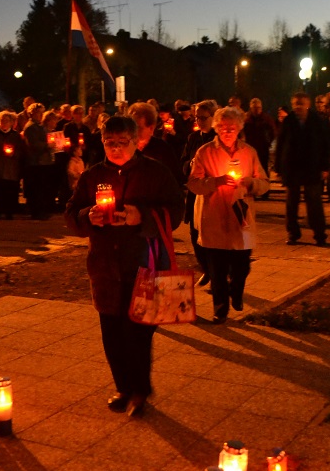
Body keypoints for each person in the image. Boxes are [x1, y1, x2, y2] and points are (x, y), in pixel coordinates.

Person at [66, 115, 183, 417]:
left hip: (143, 264)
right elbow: (71, 214)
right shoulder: (93, 175)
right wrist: (87, 217)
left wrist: (140, 216)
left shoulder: (155, 172)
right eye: (109, 143)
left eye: (122, 142)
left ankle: (140, 390)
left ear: (136, 142)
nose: (116, 148)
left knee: (138, 334)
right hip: (105, 267)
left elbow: (176, 210)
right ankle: (122, 387)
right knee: (112, 334)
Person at [187, 105, 268, 323]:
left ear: (239, 128)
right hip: (214, 217)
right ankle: (220, 309)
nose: (227, 131)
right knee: (217, 269)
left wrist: (250, 183)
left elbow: (264, 183)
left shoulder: (249, 152)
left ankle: (237, 291)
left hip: (241, 218)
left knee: (242, 265)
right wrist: (217, 181)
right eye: (222, 127)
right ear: (216, 128)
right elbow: (193, 184)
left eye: (231, 127)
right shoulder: (205, 152)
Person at [274, 93, 330, 246]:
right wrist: (278, 168)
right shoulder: (289, 121)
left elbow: (325, 144)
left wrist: (325, 166)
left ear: (308, 105)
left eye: (301, 103)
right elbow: (280, 144)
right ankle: (293, 233)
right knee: (292, 202)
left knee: (314, 202)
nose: (298, 107)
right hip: (292, 167)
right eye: (295, 104)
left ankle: (319, 234)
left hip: (312, 166)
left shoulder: (317, 121)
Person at [181, 100, 217, 286]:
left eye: (203, 118)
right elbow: (183, 162)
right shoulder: (193, 138)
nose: (199, 121)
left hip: (212, 194)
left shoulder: (218, 138)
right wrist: (190, 165)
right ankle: (206, 269)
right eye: (197, 118)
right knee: (195, 235)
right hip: (195, 193)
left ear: (213, 118)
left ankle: (217, 272)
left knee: (212, 236)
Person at [128, 101, 182, 182]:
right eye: (130, 127)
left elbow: (175, 178)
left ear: (151, 128)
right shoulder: (124, 147)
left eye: (138, 128)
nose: (133, 132)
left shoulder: (163, 150)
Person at [243, 98, 275, 186]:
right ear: (251, 108)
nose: (257, 110)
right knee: (250, 168)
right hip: (250, 147)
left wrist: (268, 142)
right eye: (254, 108)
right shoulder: (247, 119)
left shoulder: (266, 119)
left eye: (258, 107)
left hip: (263, 147)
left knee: (263, 168)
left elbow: (273, 131)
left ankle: (265, 188)